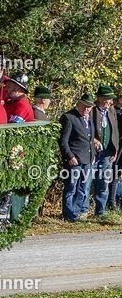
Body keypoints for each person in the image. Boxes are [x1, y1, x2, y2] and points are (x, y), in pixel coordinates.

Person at [59, 92, 96, 222]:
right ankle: (69, 215)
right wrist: (69, 156)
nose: (87, 109)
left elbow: (89, 140)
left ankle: (76, 212)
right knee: (71, 187)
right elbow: (63, 141)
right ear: (78, 104)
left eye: (89, 107)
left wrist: (93, 155)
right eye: (85, 106)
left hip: (87, 159)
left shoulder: (88, 118)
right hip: (74, 160)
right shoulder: (69, 117)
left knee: (82, 188)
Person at [90, 85, 119, 217]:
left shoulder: (112, 111)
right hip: (94, 153)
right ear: (99, 98)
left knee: (104, 183)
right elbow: (86, 130)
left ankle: (100, 211)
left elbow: (115, 132)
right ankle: (83, 210)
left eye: (110, 100)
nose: (108, 103)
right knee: (87, 181)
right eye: (106, 100)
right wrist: (93, 141)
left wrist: (115, 150)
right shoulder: (92, 110)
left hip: (108, 153)